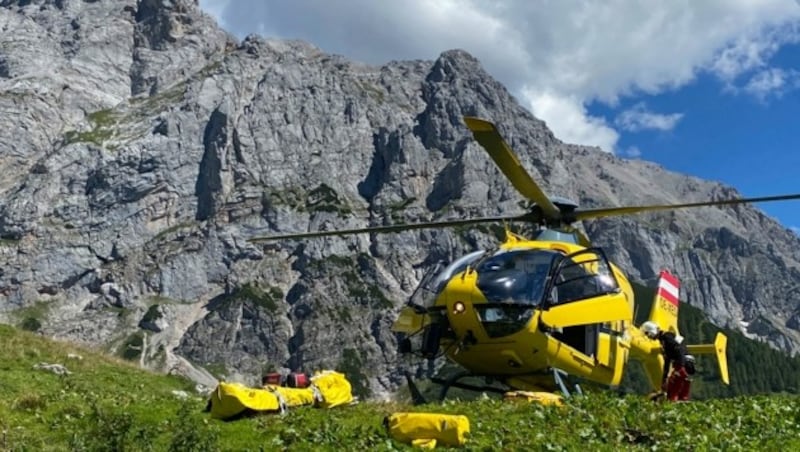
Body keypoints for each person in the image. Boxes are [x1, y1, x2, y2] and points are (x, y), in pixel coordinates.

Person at [641, 321, 695, 401]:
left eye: (647, 334)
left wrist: (681, 367)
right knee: (674, 388)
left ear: (651, 332)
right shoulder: (664, 341)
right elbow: (667, 360)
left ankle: (673, 401)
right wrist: (664, 379)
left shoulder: (667, 338)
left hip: (683, 362)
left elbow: (679, 350)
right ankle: (680, 401)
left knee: (673, 389)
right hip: (683, 362)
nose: (649, 337)